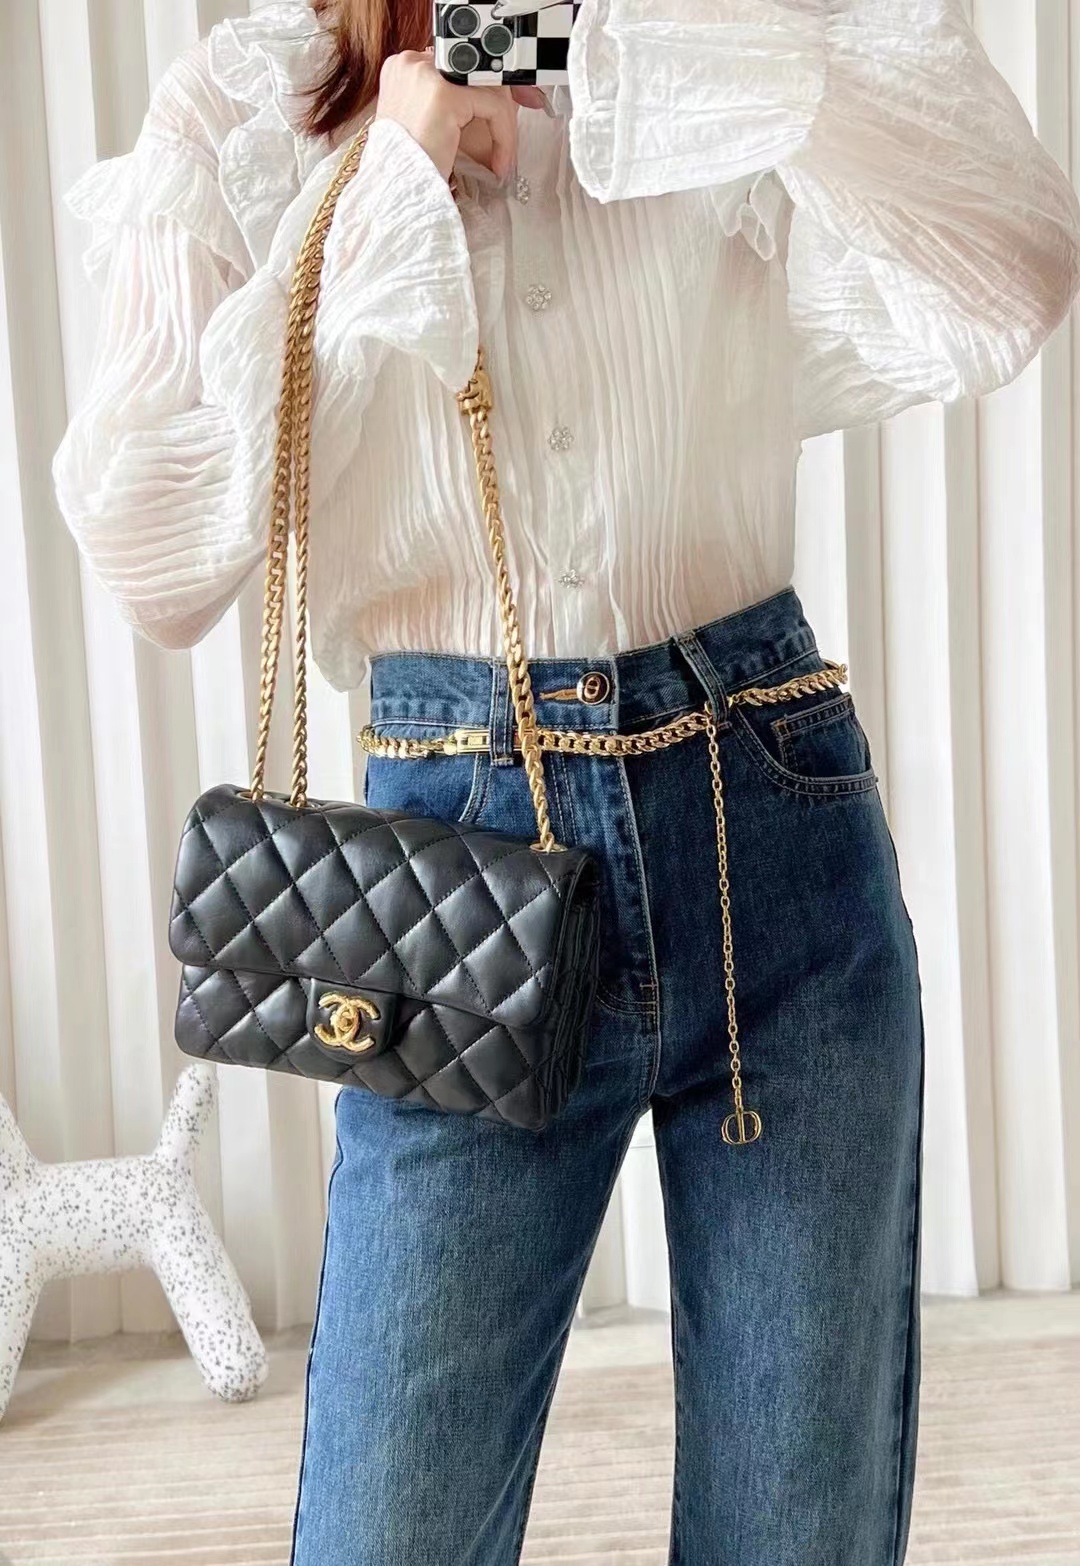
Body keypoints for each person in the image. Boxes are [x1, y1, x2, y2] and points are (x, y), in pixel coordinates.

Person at [52, 2, 1080, 1562]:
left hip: (774, 829)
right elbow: (150, 548)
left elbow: (1013, 265)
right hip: (459, 880)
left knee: (796, 1531)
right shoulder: (252, 106)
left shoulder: (710, 42)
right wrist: (387, 187)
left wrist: (689, 58)